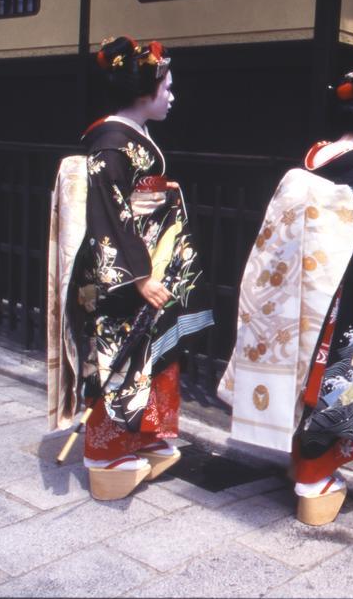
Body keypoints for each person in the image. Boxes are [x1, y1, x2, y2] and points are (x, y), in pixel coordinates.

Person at [219, 70, 353, 525]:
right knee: (335, 383)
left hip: (299, 298)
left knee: (306, 379)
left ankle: (299, 460)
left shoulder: (308, 164)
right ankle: (315, 480)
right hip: (342, 302)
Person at [47, 36, 213, 500]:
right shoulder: (113, 143)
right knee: (119, 361)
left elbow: (137, 201)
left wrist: (165, 194)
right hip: (125, 278)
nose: (172, 96)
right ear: (146, 92)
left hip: (144, 264)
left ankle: (139, 438)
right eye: (168, 87)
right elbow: (109, 211)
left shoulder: (128, 137)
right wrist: (140, 274)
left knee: (144, 356)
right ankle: (104, 453)